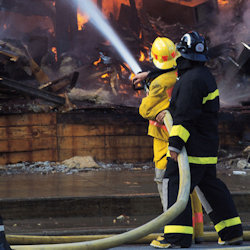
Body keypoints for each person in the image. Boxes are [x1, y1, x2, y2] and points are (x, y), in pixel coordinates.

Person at [153, 31, 243, 248]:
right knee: (210, 186)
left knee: (174, 183)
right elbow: (193, 111)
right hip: (206, 146)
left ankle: (177, 237)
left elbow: (186, 116)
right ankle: (231, 232)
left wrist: (175, 145)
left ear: (182, 55)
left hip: (191, 150)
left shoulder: (190, 81)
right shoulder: (202, 76)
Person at [133, 36, 203, 247]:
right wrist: (149, 76)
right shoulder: (181, 74)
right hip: (184, 136)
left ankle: (172, 229)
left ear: (154, 57)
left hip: (164, 139)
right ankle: (196, 232)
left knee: (166, 183)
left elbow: (145, 110)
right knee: (189, 185)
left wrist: (149, 89)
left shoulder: (160, 83)